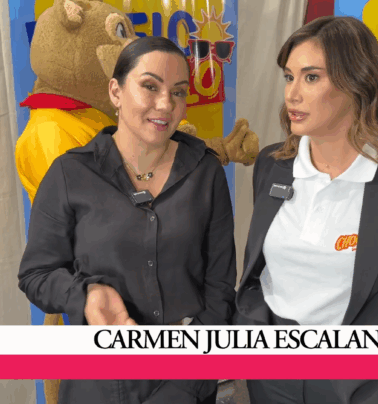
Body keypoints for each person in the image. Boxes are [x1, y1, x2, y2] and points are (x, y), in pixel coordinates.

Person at [234, 15, 378, 404]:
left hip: (366, 385)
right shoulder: (272, 164)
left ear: (357, 82)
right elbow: (257, 271)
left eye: (311, 77)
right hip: (271, 378)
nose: (292, 94)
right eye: (289, 77)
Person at [18, 35, 237, 404]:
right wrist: (87, 294)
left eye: (178, 92)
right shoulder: (70, 173)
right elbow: (36, 274)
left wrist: (187, 383)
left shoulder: (206, 172)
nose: (165, 104)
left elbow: (220, 289)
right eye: (150, 86)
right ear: (115, 92)